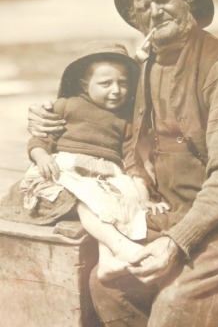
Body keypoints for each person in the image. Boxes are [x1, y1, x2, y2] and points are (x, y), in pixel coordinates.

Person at [26, 0, 218, 326]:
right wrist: (45, 118)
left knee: (174, 309)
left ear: (188, 3)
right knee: (107, 287)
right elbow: (102, 114)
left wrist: (177, 242)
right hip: (170, 207)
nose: (154, 12)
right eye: (143, 6)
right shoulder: (147, 67)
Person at [10, 41, 169, 280]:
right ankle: (119, 246)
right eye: (106, 84)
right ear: (85, 84)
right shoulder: (68, 106)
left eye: (123, 83)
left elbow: (130, 160)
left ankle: (107, 261)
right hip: (66, 171)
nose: (116, 90)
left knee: (120, 198)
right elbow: (41, 139)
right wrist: (41, 155)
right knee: (87, 199)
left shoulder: (124, 120)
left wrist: (142, 198)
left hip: (104, 176)